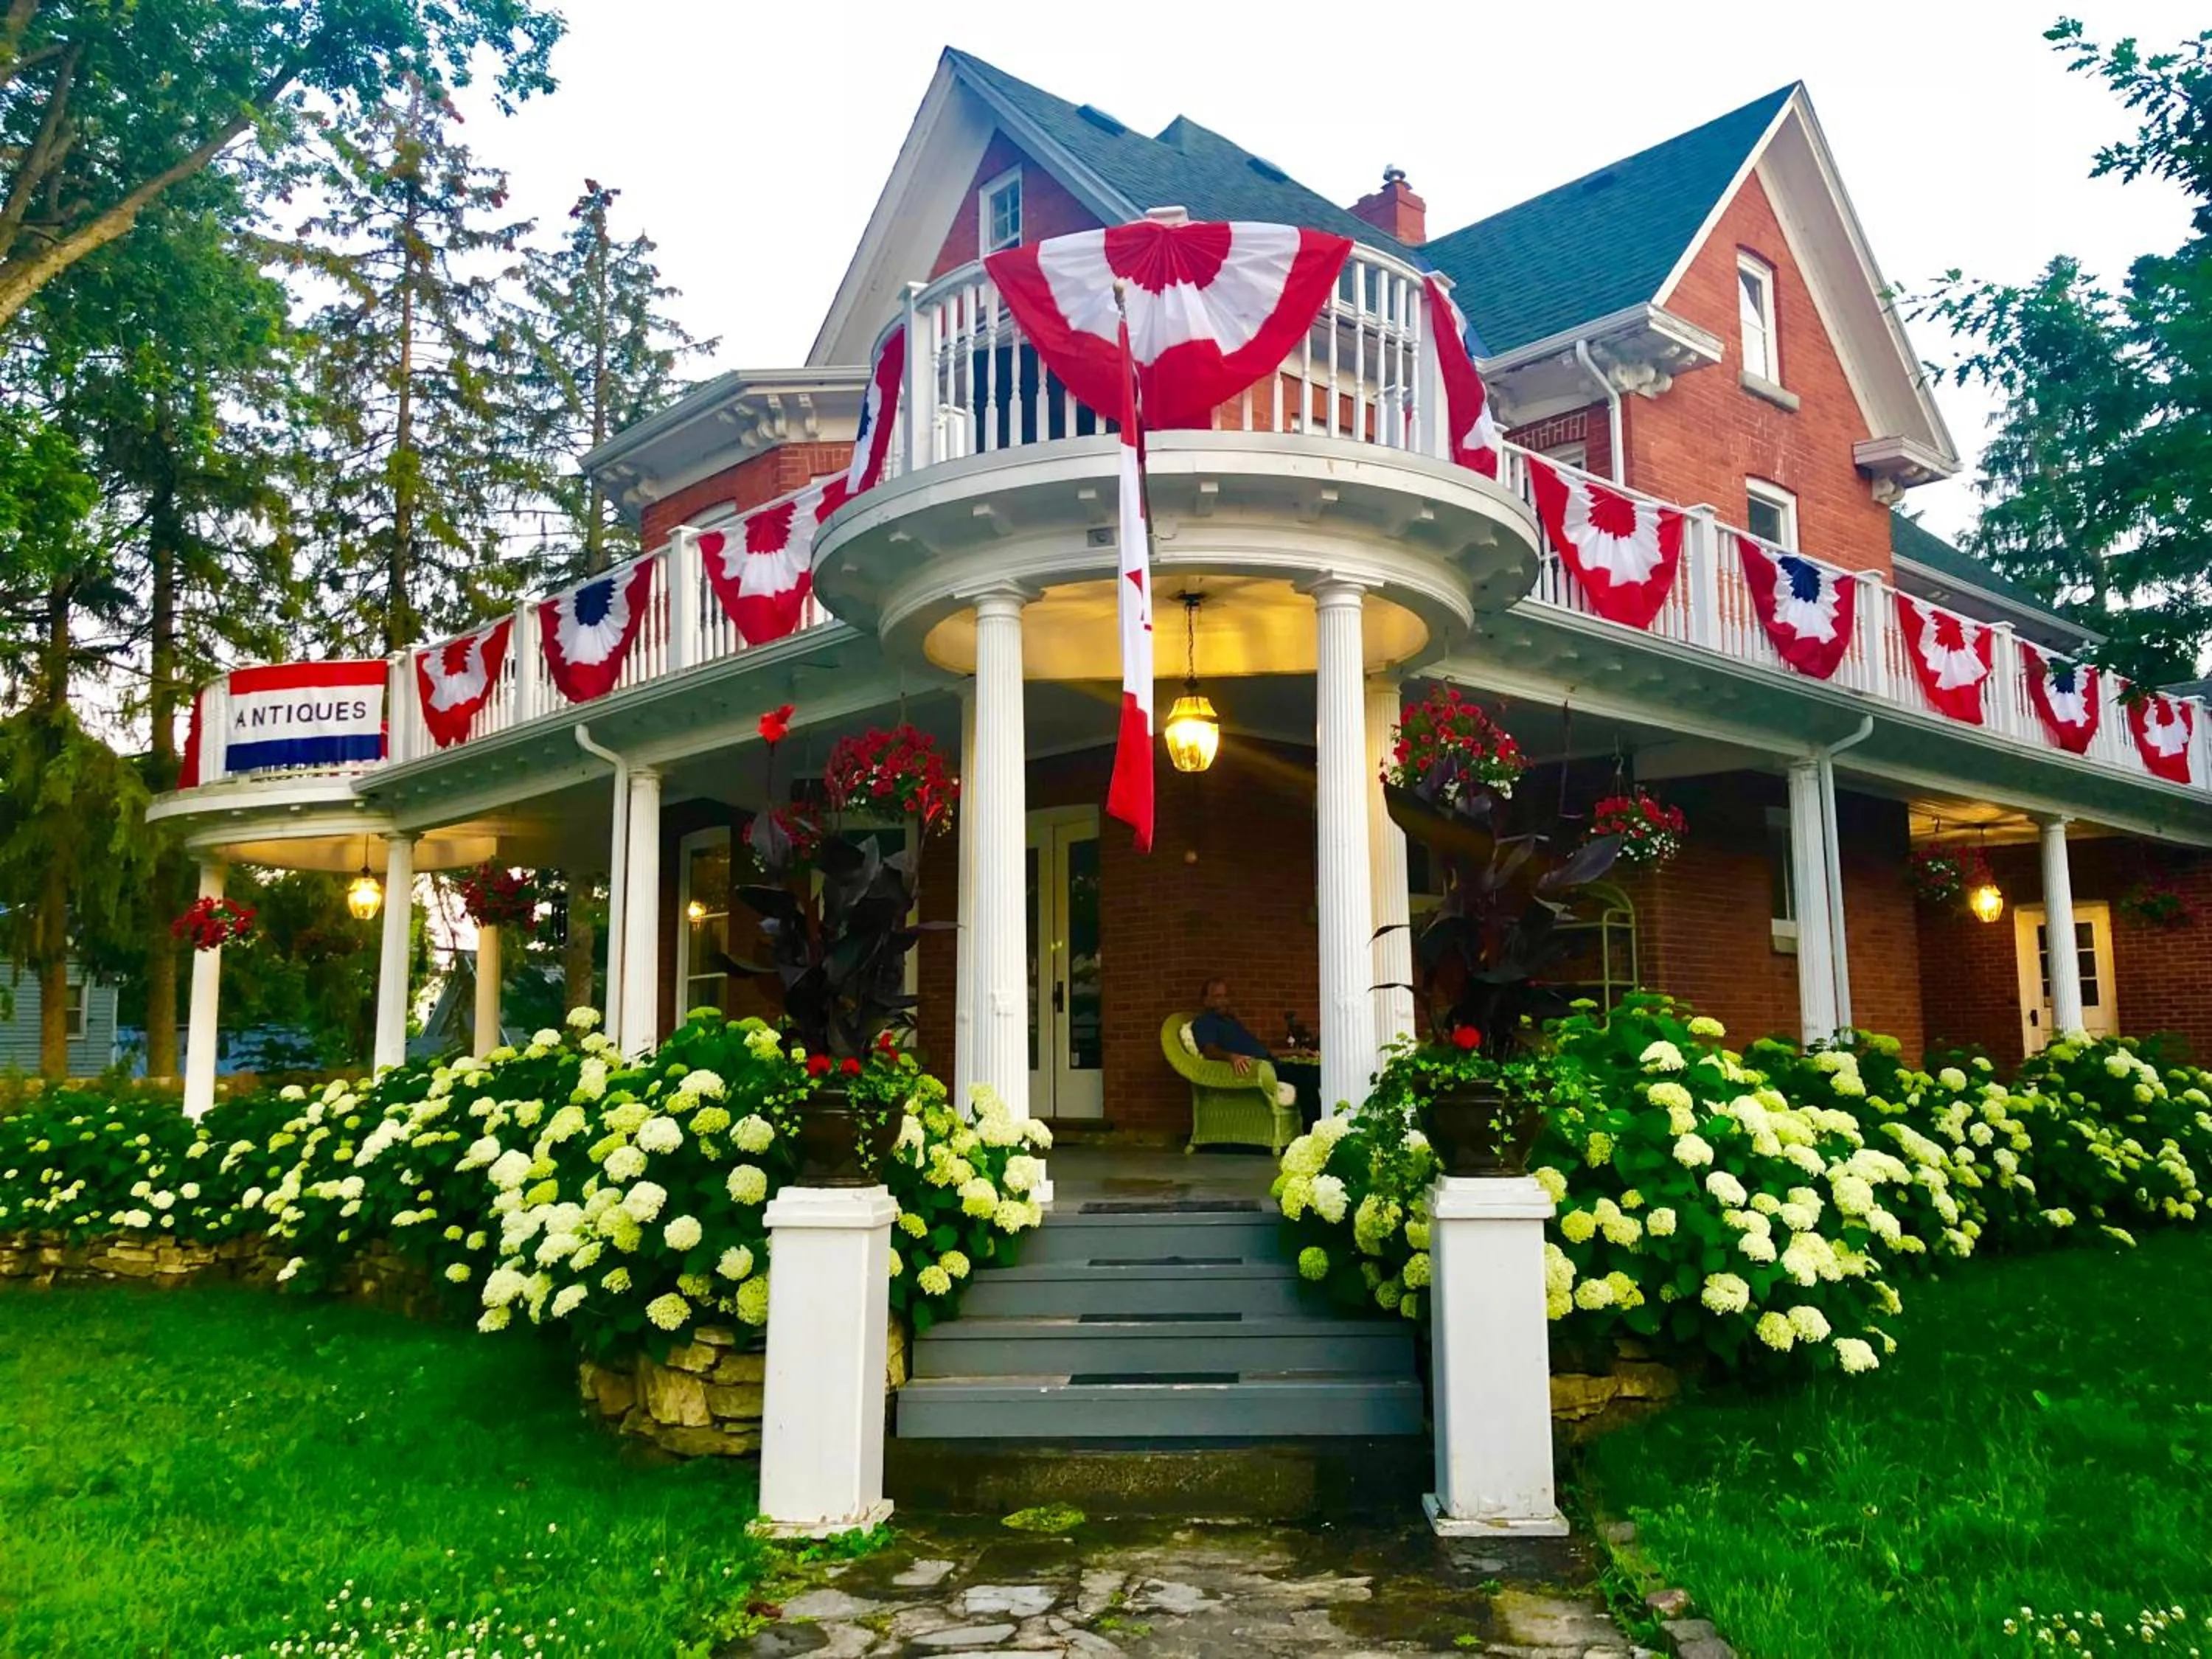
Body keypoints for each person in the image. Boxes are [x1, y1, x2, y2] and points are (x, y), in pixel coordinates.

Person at [1191, 978, 1273, 1077]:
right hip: (1260, 1070)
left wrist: (1292, 1052)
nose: (1224, 1001)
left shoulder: (1231, 1022)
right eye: (1218, 996)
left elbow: (1261, 1050)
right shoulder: (1205, 1021)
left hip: (1270, 1063)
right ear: (1206, 1000)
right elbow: (1209, 1051)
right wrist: (1231, 1057)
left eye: (1225, 996)